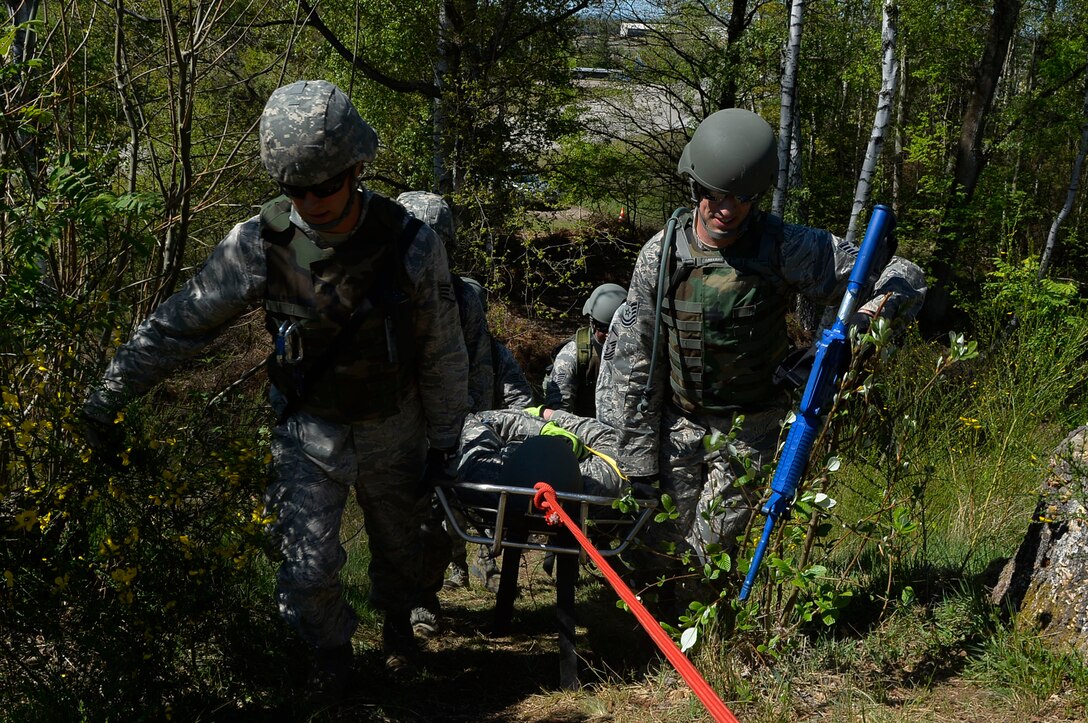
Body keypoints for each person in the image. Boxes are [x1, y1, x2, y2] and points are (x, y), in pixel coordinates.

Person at [80, 80, 469, 702]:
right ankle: (332, 660)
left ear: (357, 167)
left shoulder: (410, 243)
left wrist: (447, 447)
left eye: (324, 186)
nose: (310, 202)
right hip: (306, 428)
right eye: (295, 189)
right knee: (306, 566)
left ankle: (400, 625)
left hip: (395, 425)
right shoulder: (262, 243)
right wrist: (107, 395)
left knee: (406, 550)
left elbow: (442, 351)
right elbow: (182, 323)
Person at [596, 108, 927, 595]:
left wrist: (855, 330)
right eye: (716, 194)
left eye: (743, 197)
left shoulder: (783, 246)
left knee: (709, 559)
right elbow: (634, 366)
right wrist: (639, 464)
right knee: (655, 555)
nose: (727, 209)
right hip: (678, 424)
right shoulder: (660, 255)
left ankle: (713, 653)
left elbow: (903, 275)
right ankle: (654, 656)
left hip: (750, 429)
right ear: (695, 185)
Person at [394, 192, 534, 594]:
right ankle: (415, 601)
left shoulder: (463, 298)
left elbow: (478, 366)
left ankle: (441, 587)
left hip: (452, 421)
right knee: (406, 518)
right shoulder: (379, 293)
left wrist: (465, 424)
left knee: (449, 507)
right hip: (397, 423)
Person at [543, 283, 626, 418]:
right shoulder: (573, 355)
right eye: (604, 328)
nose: (610, 335)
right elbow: (558, 411)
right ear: (592, 323)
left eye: (616, 329)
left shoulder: (638, 350)